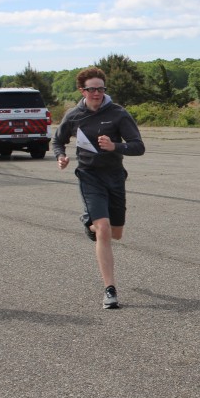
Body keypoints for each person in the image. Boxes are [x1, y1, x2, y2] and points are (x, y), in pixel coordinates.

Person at [52, 67, 145, 309]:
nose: (97, 93)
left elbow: (138, 146)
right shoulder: (74, 115)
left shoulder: (118, 114)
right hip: (89, 176)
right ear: (82, 91)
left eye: (101, 89)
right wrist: (60, 156)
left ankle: (89, 223)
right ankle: (110, 290)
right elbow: (57, 140)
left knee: (116, 233)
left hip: (114, 177)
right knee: (103, 229)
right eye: (92, 89)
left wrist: (115, 146)